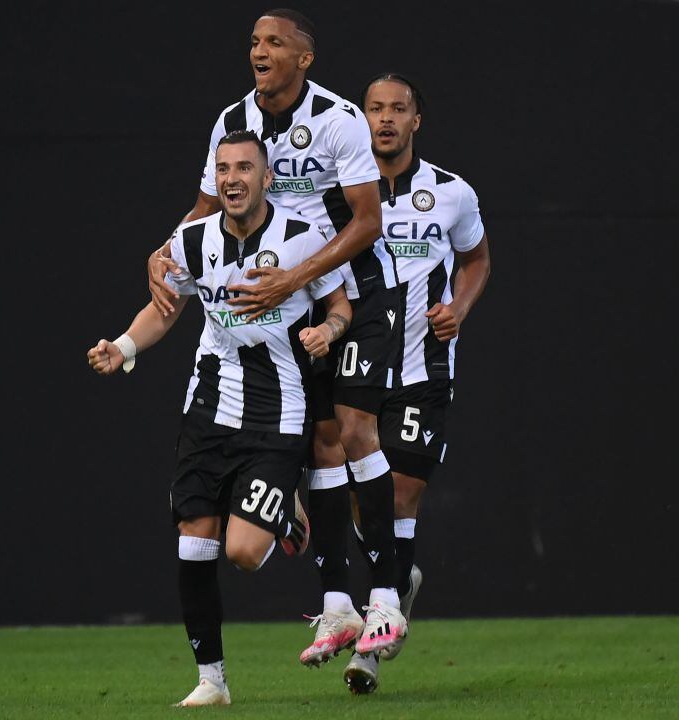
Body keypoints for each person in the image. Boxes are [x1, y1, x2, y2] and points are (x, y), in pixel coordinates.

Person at [146, 8, 408, 671]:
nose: (259, 50)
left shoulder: (338, 118)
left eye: (274, 42)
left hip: (356, 288)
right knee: (320, 437)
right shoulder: (233, 121)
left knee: (352, 428)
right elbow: (205, 212)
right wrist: (165, 247)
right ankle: (338, 603)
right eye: (254, 42)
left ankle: (385, 594)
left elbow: (369, 221)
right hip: (290, 296)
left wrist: (295, 276)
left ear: (303, 58)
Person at [90, 131, 351, 707]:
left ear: (266, 178)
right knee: (194, 543)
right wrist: (126, 347)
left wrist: (325, 332)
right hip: (208, 407)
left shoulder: (304, 238)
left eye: (245, 168)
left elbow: (341, 307)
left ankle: (285, 508)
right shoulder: (192, 240)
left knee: (241, 552)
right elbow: (164, 310)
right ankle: (212, 679)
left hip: (278, 414)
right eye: (224, 169)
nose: (233, 179)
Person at [333, 73, 491, 694]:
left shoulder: (451, 193)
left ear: (416, 120)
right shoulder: (339, 195)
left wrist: (460, 307)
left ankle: (372, 644)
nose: (385, 119)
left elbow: (477, 258)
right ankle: (398, 581)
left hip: (425, 369)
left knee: (399, 495)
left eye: (398, 108)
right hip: (360, 365)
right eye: (374, 109)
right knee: (362, 501)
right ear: (361, 117)